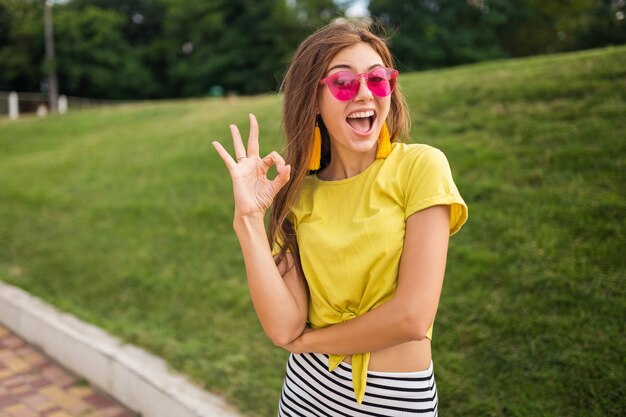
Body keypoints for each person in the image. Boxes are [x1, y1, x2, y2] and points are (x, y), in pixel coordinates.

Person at [212, 21, 468, 417]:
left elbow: (413, 317)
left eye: (378, 79)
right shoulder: (297, 194)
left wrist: (310, 342)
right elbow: (284, 327)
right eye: (344, 83)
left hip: (394, 399)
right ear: (313, 99)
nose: (365, 93)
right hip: (305, 391)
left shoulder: (421, 166)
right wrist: (247, 219)